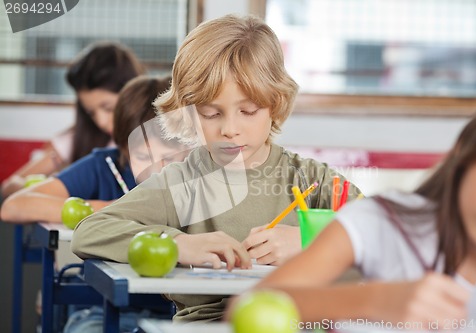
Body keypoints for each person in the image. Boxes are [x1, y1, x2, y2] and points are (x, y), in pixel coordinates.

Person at [70, 14, 362, 322]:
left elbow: (390, 240)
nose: (230, 129)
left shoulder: (311, 179)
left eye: (248, 110)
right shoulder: (182, 183)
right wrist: (181, 245)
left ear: (275, 103)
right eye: (211, 114)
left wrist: (308, 241)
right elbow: (89, 232)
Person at [246, 90, 476, 330]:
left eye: (247, 111)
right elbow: (249, 305)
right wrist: (374, 300)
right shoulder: (382, 222)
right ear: (465, 149)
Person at [0, 75, 189, 224]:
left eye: (169, 158)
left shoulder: (203, 172)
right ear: (123, 147)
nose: (155, 171)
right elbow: (14, 207)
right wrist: (109, 208)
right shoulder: (104, 166)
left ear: (190, 146)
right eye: (141, 156)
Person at [1, 41, 145, 198]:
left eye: (108, 108)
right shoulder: (74, 141)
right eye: (91, 113)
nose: (101, 121)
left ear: (132, 95)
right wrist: (43, 187)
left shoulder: (153, 140)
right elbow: (10, 186)